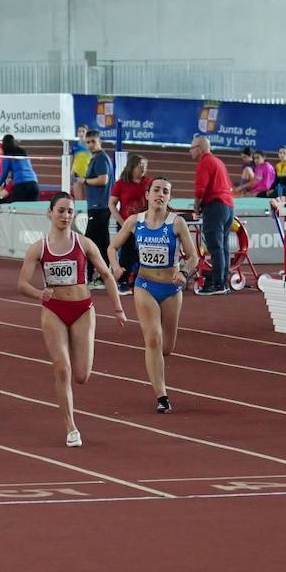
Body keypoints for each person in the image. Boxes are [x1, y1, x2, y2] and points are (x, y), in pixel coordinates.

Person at [17, 192, 127, 446]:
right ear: (50, 213)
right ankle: (71, 427)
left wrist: (118, 308)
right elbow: (21, 283)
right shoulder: (39, 247)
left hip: (83, 309)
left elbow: (107, 275)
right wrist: (39, 294)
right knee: (62, 369)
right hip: (53, 309)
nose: (65, 216)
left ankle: (72, 413)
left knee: (81, 375)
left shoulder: (84, 243)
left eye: (70, 211)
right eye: (61, 210)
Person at [109, 177, 198, 413]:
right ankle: (162, 396)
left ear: (169, 197)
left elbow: (194, 256)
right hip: (145, 285)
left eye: (165, 191)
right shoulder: (134, 221)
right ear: (147, 195)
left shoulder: (177, 223)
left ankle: (158, 371)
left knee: (166, 347)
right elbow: (111, 247)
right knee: (153, 339)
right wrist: (115, 267)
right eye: (156, 190)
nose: (160, 194)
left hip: (171, 289)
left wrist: (185, 273)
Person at [191, 135, 234, 295]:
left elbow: (200, 188)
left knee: (215, 247)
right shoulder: (218, 162)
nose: (190, 151)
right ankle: (222, 281)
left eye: (192, 148)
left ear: (200, 148)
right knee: (223, 247)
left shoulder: (205, 163)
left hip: (215, 206)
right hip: (228, 206)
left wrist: (196, 207)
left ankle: (217, 284)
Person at [109, 153, 153, 294]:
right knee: (126, 253)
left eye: (145, 166)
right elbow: (112, 204)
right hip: (125, 224)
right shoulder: (121, 183)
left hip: (144, 224)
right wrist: (122, 222)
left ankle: (138, 281)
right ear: (132, 167)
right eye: (141, 166)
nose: (143, 169)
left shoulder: (148, 183)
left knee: (142, 253)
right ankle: (123, 282)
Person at [80, 130, 114, 285]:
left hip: (99, 206)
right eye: (88, 142)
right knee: (101, 242)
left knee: (90, 242)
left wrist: (85, 181)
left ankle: (90, 276)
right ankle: (102, 276)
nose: (90, 145)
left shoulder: (101, 159)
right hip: (97, 206)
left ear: (99, 141)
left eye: (93, 141)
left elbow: (103, 179)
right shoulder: (96, 159)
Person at [0, 134, 39, 203]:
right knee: (31, 210)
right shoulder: (23, 152)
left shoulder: (8, 156)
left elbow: (3, 175)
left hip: (21, 184)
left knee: (15, 209)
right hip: (34, 183)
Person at [69, 124, 91, 200]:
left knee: (89, 199)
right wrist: (70, 173)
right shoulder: (74, 146)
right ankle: (79, 212)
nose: (81, 133)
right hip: (76, 174)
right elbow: (71, 161)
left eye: (83, 131)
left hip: (88, 175)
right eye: (79, 131)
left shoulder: (90, 145)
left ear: (87, 133)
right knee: (78, 200)